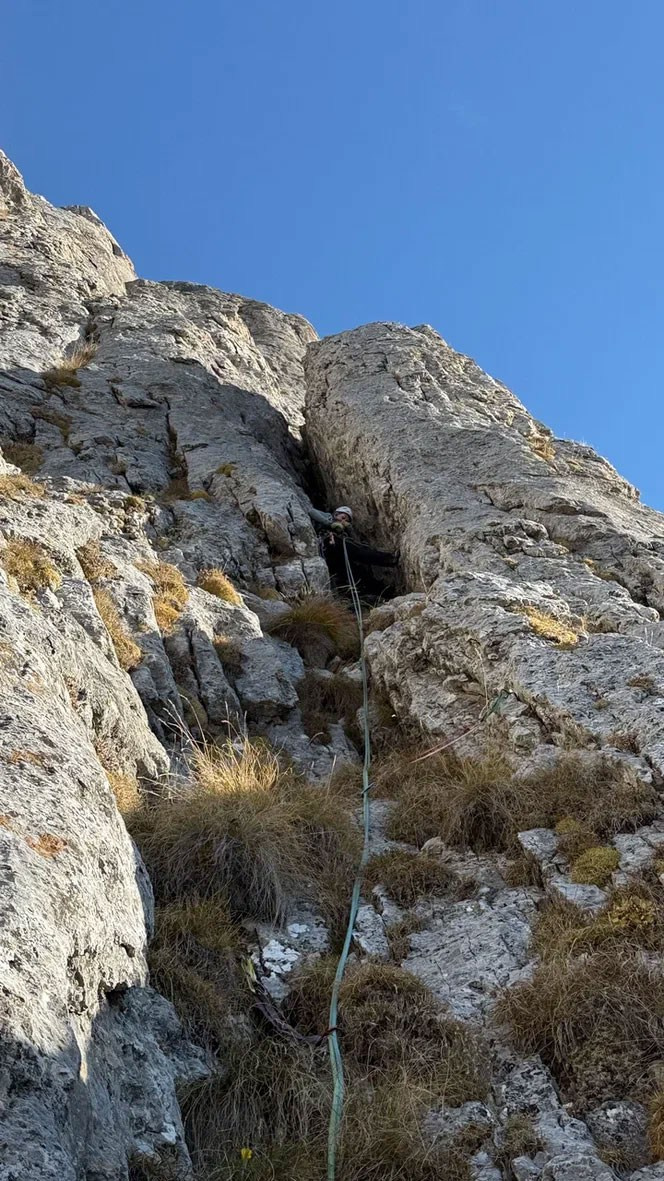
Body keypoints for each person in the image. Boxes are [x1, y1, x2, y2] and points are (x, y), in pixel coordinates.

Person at [309, 504, 398, 599]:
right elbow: (312, 512)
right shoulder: (328, 516)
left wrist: (347, 528)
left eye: (347, 521)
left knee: (360, 572)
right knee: (359, 552)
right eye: (343, 517)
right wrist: (330, 524)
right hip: (328, 546)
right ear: (336, 514)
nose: (344, 521)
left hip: (338, 557)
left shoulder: (344, 532)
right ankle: (389, 558)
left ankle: (386, 592)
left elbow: (353, 540)